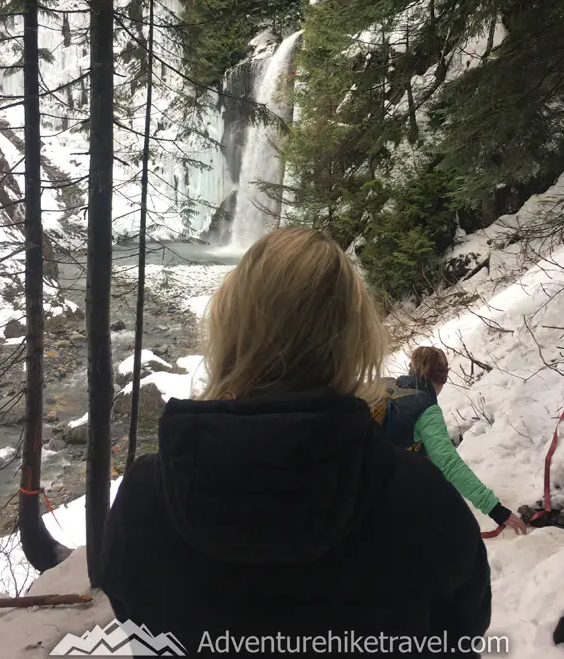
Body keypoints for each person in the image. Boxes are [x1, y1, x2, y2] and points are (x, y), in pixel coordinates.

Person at [101, 229, 491, 657]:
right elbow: (462, 630)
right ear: (353, 340)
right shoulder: (423, 501)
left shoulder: (144, 498)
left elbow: (132, 613)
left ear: (230, 327)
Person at [372, 345, 527, 535]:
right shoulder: (425, 410)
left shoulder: (391, 386)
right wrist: (496, 510)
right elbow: (449, 463)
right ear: (440, 377)